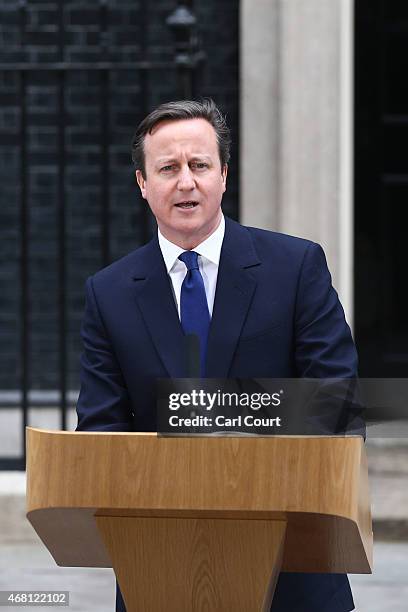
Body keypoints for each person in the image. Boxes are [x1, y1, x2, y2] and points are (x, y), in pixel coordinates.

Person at [76, 99, 357, 611]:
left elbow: (334, 397)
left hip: (290, 567)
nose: (186, 182)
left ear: (224, 174)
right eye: (167, 168)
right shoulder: (109, 293)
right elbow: (101, 431)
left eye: (199, 165)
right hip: (158, 568)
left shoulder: (295, 267)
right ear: (142, 183)